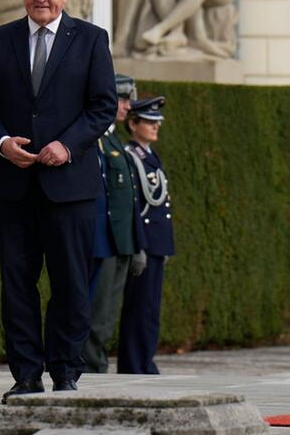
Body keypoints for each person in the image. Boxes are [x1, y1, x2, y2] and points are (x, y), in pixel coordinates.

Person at [0, 0, 116, 398]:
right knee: (17, 284)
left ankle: (66, 369)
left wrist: (67, 146)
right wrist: (1, 143)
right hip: (13, 187)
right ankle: (26, 375)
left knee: (70, 281)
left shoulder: (91, 40)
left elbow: (103, 106)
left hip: (70, 186)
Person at [81, 73, 147, 374]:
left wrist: (136, 244)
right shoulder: (97, 139)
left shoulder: (112, 139)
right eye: (122, 99)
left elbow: (127, 200)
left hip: (118, 241)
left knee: (107, 313)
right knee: (96, 312)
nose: (127, 106)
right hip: (101, 240)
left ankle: (96, 363)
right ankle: (89, 365)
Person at [118, 96, 175, 374]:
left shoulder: (150, 156)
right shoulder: (131, 156)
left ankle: (145, 361)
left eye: (157, 122)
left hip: (156, 243)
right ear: (133, 124)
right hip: (143, 243)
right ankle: (134, 364)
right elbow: (132, 205)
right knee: (138, 309)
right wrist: (139, 245)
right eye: (150, 122)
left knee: (150, 309)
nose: (155, 127)